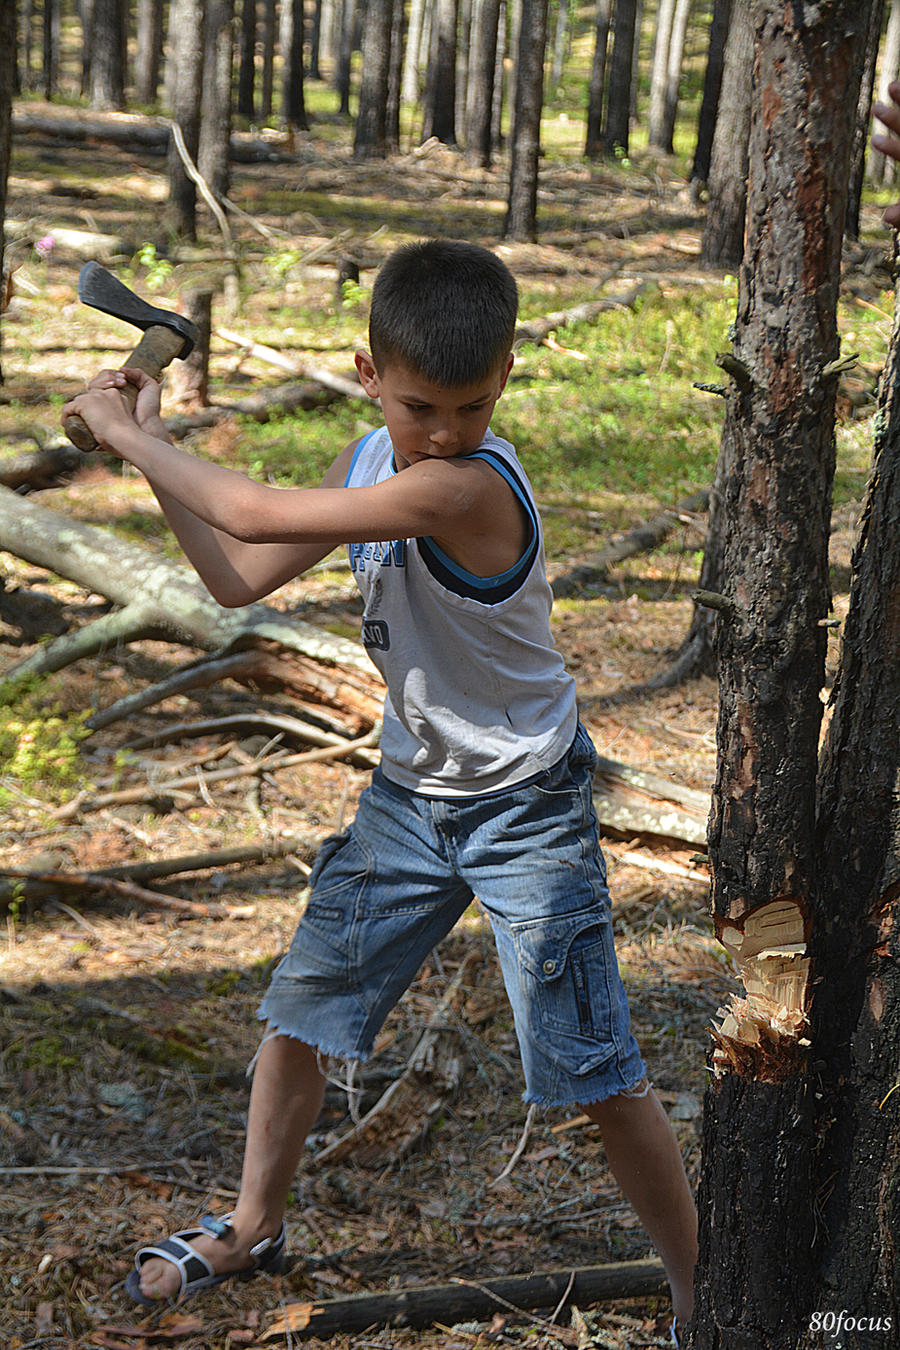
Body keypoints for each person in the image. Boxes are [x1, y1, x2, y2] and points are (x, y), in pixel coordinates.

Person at [63, 240, 698, 1340]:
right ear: (368, 373)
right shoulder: (372, 460)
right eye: (419, 406)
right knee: (301, 1014)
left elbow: (255, 515)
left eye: (470, 404)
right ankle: (256, 1222)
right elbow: (233, 575)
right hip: (408, 797)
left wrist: (122, 433)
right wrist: (151, 447)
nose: (445, 430)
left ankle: (703, 1282)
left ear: (504, 378)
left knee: (593, 1065)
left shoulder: (464, 487)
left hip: (525, 810)